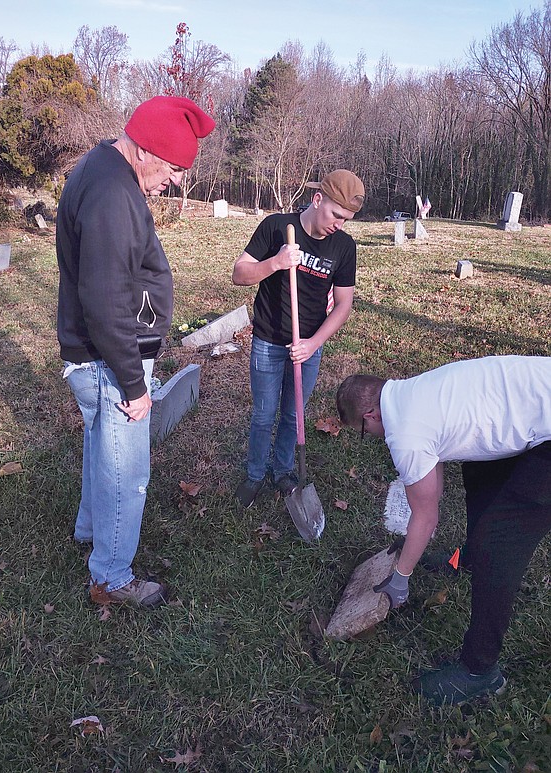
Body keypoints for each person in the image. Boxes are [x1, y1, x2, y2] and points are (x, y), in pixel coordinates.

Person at [56, 96, 215, 608]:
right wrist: (134, 384)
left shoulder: (104, 166)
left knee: (103, 450)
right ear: (145, 150)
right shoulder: (110, 195)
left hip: (99, 355)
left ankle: (89, 532)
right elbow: (103, 303)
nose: (172, 180)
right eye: (171, 167)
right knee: (127, 473)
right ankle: (111, 577)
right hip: (110, 361)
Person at [336, 355, 551, 704]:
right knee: (481, 473)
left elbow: (426, 516)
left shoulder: (405, 433)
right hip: (539, 400)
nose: (369, 437)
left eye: (363, 431)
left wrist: (400, 579)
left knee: (500, 542)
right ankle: (468, 559)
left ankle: (480, 671)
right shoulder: (413, 392)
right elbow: (430, 483)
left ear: (370, 417)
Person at [233, 170, 365, 508]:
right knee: (264, 415)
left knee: (294, 415)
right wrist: (276, 262)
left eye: (347, 219)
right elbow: (239, 274)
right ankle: (254, 474)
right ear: (318, 199)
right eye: (337, 215)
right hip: (268, 339)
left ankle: (284, 471)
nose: (340, 224)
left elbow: (344, 303)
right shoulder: (277, 227)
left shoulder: (344, 247)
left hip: (308, 344)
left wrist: (314, 342)